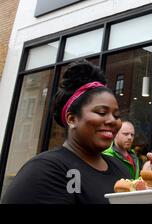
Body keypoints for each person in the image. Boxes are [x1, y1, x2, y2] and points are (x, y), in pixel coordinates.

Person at [1, 60, 130, 204]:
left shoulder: (122, 169)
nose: (113, 121)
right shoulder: (45, 171)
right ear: (72, 119)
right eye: (101, 112)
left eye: (117, 115)